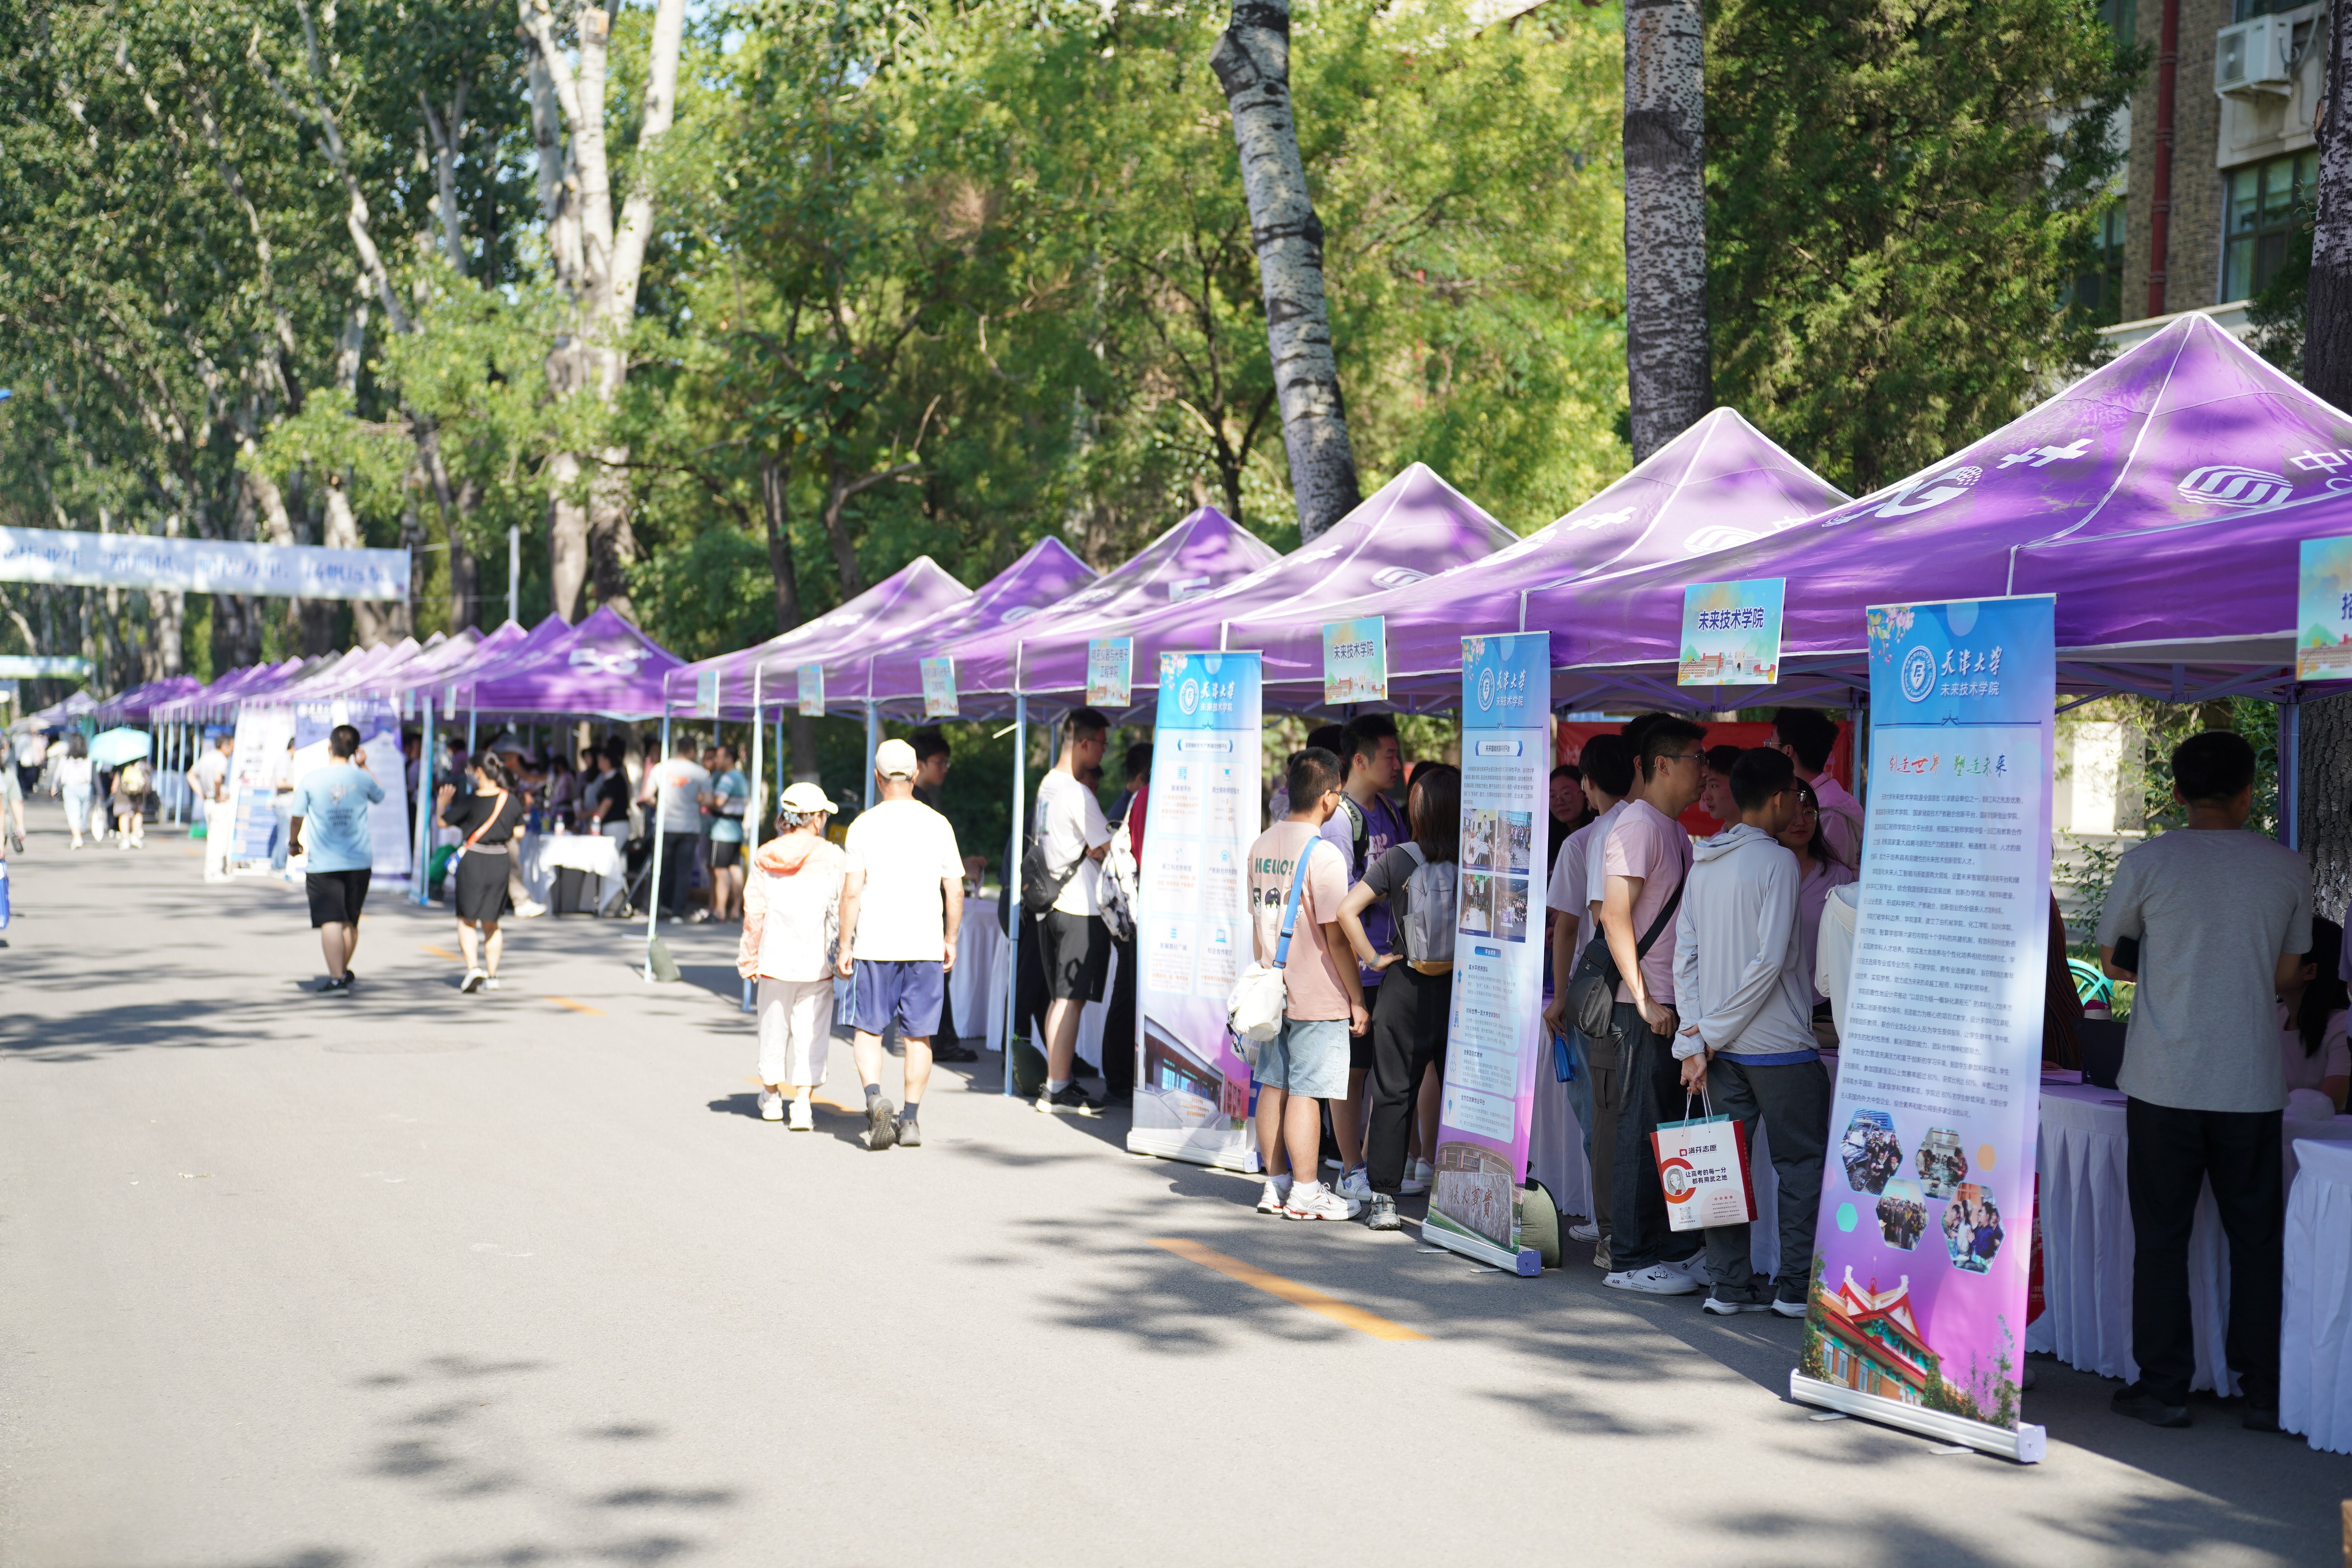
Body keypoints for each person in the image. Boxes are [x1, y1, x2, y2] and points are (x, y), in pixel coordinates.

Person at [2098, 729, 2312, 1432]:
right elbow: (2288, 974)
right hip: (2250, 1081)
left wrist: (2166, 961)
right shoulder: (2287, 867)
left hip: (2163, 1078)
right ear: (2249, 792)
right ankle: (2263, 1391)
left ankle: (2163, 1386)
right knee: (2256, 1239)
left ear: (2178, 793)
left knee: (2162, 1237)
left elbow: (2114, 960)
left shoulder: (2148, 860)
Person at [1670, 747, 1831, 1317]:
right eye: (1797, 796)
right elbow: (1769, 962)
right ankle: (1793, 1289)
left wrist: (1697, 1039)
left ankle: (1729, 1286)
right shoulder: (1779, 862)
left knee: (1721, 1165)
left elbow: (1685, 960)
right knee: (1800, 1168)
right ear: (1781, 798)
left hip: (1721, 1053)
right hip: (1780, 1047)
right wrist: (1706, 1035)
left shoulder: (1705, 861)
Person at [1599, 714, 1709, 1295]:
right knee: (1641, 1129)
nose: (1705, 772)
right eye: (1698, 760)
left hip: (1671, 1003)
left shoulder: (1674, 830)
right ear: (1663, 764)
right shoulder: (1638, 824)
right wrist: (1642, 999)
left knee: (1668, 1130)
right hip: (1644, 1005)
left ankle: (1673, 1249)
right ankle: (1630, 1259)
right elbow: (1613, 915)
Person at [1336, 762, 1460, 1230]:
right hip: (1462, 990)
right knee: (1464, 1096)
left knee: (1393, 1092)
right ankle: (1464, 1201)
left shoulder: (1399, 858)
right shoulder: (1478, 860)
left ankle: (1384, 1201)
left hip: (1405, 985)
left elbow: (1347, 910)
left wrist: (1373, 958)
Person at [1246, 746, 1368, 1221]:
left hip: (1273, 988)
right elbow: (1337, 938)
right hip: (1318, 992)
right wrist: (1357, 998)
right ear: (1328, 798)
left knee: (1272, 1084)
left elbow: (1257, 921)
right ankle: (1306, 1190)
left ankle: (1275, 1184)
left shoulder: (1260, 846)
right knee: (1307, 1091)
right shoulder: (1325, 855)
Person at [836, 738, 963, 1150]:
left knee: (869, 1030)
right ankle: (910, 1120)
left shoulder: (863, 825)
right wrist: (950, 938)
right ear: (915, 774)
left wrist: (844, 944)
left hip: (875, 943)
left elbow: (851, 892)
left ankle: (875, 1098)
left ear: (877, 778)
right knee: (918, 1037)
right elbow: (954, 889)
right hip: (924, 944)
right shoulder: (939, 824)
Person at [1543, 733, 1636, 1263]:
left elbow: (1566, 927)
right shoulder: (1657, 829)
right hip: (1640, 993)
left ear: (1587, 784)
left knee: (1596, 1115)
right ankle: (1616, 1222)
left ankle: (1609, 1225)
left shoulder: (1586, 841)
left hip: (1595, 993)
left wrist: (1560, 996)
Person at [738, 782, 845, 1130]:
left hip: (774, 958)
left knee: (773, 1029)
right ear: (816, 818)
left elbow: (754, 911)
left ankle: (771, 1097)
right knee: (811, 1033)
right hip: (817, 961)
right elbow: (844, 906)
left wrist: (749, 956)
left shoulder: (766, 854)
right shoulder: (833, 856)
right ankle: (802, 1104)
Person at [1033, 707, 1112, 1115]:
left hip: (1050, 904)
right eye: (1101, 744)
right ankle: (1058, 1088)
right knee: (1070, 1000)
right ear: (1084, 743)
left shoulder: (1047, 785)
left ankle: (1056, 1081)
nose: (1103, 753)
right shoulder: (1078, 793)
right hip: (1079, 907)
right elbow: (1107, 846)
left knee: (1061, 998)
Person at [290, 723, 385, 995]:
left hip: (324, 863)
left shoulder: (311, 779)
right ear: (356, 750)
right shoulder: (362, 778)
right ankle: (341, 973)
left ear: (329, 746)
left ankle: (336, 978)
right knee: (350, 921)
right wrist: (364, 766)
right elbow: (380, 795)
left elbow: (297, 817)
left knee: (331, 920)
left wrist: (294, 843)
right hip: (359, 861)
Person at [437, 751, 527, 993]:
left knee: (467, 919)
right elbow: (519, 832)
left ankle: (473, 968)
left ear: (478, 772)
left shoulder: (471, 800)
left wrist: (441, 805)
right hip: (499, 861)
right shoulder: (510, 799)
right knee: (492, 922)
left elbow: (443, 822)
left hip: (474, 860)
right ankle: (493, 975)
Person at [1780, 779, 1856, 1050]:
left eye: (1809, 813)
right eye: (1792, 814)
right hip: (1772, 1004)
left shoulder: (1839, 877)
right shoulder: (1761, 871)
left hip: (1824, 1006)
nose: (1801, 822)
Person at [1772, 709, 1861, 870]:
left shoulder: (1829, 811)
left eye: (1771, 744)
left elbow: (1831, 878)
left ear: (1787, 751)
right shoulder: (1809, 798)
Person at [2280, 917, 2351, 1112]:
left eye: (2281, 952)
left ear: (2310, 971)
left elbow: (2326, 1108)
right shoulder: (2269, 1018)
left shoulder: (2343, 1029)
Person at [643, 735, 710, 922]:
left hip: (665, 826)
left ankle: (650, 908)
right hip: (689, 827)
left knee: (659, 868)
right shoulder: (700, 773)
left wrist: (661, 805)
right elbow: (708, 799)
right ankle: (677, 912)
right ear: (692, 751)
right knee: (683, 872)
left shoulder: (661, 768)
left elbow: (647, 796)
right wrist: (693, 801)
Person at [704, 742, 749, 923]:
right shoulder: (740, 777)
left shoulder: (728, 779)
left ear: (729, 759)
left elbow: (719, 802)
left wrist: (704, 800)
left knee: (720, 871)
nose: (716, 760)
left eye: (719, 757)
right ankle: (736, 909)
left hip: (722, 831)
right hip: (736, 830)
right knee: (735, 869)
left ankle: (720, 911)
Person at [190, 731, 235, 882]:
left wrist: (202, 794)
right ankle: (214, 872)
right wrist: (218, 794)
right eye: (231, 747)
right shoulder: (221, 759)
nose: (232, 751)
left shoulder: (206, 757)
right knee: (219, 838)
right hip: (219, 803)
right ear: (224, 746)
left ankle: (215, 870)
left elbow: (191, 775)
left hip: (208, 802)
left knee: (213, 837)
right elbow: (217, 778)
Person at [55, 734, 94, 850]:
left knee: (73, 813)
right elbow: (92, 775)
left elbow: (58, 774)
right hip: (85, 787)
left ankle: (77, 837)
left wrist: (54, 786)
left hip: (70, 787)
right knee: (84, 814)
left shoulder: (66, 759)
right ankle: (78, 836)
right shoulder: (88, 758)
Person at [1696, 743, 1743, 831]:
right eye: (1705, 785)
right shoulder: (1715, 839)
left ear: (1740, 783)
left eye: (1714, 786)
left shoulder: (1765, 837)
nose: (1706, 797)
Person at [910, 728, 951, 809]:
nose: (945, 770)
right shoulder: (915, 800)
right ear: (920, 765)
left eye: (946, 763)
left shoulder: (915, 794)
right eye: (940, 763)